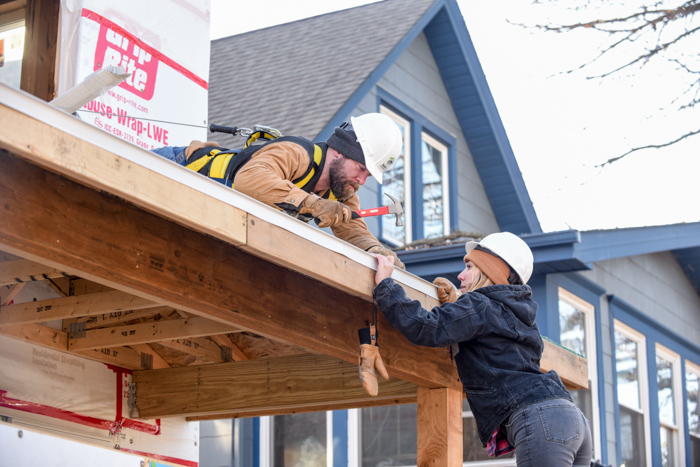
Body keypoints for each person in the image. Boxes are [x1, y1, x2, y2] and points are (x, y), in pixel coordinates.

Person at [371, 232, 592, 466]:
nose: (460, 275)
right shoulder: (522, 319)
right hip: (572, 418)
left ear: (489, 271)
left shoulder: (479, 305)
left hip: (541, 419)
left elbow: (425, 327)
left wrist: (386, 285)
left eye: (469, 265)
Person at [152, 113, 405, 268]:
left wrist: (377, 251)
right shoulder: (297, 153)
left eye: (368, 175)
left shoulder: (341, 191)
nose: (362, 179)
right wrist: (314, 205)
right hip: (178, 168)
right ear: (339, 150)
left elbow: (353, 227)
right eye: (361, 167)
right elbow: (248, 180)